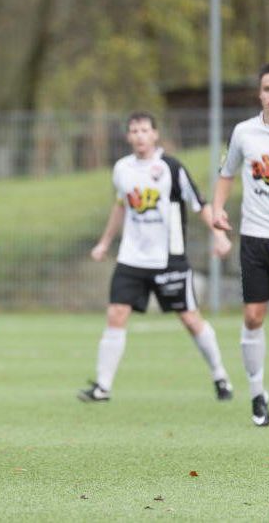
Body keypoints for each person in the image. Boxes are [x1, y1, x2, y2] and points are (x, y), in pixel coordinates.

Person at [78, 111, 234, 404]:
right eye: (134, 131)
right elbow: (120, 206)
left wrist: (219, 235)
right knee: (116, 314)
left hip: (169, 260)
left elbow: (200, 205)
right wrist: (104, 242)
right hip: (131, 259)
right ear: (128, 136)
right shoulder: (122, 169)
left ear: (155, 134)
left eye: (144, 130)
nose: (139, 135)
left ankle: (220, 375)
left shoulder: (171, 168)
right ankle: (102, 386)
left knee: (190, 319)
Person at [213, 62, 269, 427]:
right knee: (252, 316)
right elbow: (226, 173)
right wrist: (217, 212)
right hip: (254, 237)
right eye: (267, 89)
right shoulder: (243, 133)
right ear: (259, 93)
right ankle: (256, 396)